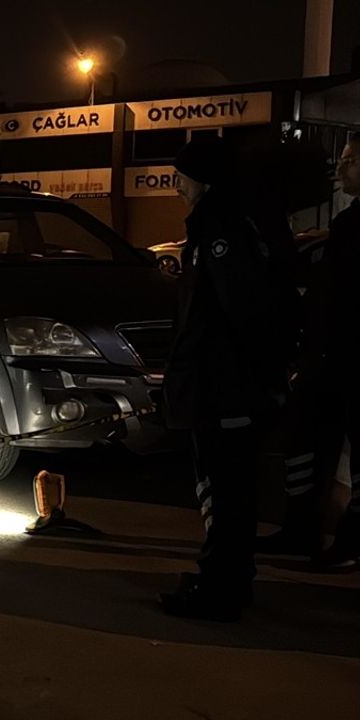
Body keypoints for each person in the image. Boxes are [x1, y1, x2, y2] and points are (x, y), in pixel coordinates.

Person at [160, 136, 298, 621]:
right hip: (225, 387)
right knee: (227, 492)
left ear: (204, 179)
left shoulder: (223, 231)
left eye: (182, 176)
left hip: (226, 390)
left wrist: (248, 382)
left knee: (228, 495)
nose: (176, 186)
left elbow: (244, 314)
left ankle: (221, 590)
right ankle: (223, 580)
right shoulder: (229, 223)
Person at [261, 134, 360, 567]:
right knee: (305, 437)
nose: (341, 170)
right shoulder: (348, 222)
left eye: (350, 160)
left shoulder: (354, 225)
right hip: (329, 353)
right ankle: (303, 529)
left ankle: (344, 544)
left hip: (345, 354)